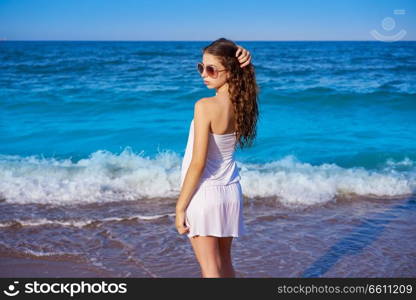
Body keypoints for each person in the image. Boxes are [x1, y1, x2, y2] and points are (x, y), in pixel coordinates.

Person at [175, 38, 259, 278]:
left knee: (211, 271)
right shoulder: (244, 103)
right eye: (201, 67)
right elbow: (247, 78)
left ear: (230, 71)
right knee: (225, 267)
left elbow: (198, 163)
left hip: (205, 194)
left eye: (211, 69)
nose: (204, 74)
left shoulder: (205, 105)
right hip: (230, 193)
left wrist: (180, 207)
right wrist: (246, 60)